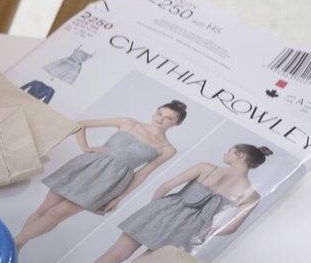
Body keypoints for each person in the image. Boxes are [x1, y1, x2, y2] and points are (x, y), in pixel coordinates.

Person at [58, 142, 272, 263]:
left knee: (115, 254)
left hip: (165, 210)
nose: (226, 153)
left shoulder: (206, 167)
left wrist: (155, 209)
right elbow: (231, 228)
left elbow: (166, 186)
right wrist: (203, 232)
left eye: (230, 151)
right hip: (189, 229)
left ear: (241, 155)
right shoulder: (252, 195)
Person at [13, 102, 187, 252]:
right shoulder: (128, 123)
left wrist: (119, 198)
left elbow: (142, 174)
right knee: (44, 209)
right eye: (160, 113)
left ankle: (14, 244)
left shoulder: (166, 149)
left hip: (110, 182)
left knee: (57, 214)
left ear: (177, 123)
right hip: (86, 166)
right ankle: (17, 247)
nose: (161, 118)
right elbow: (81, 124)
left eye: (169, 118)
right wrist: (85, 147)